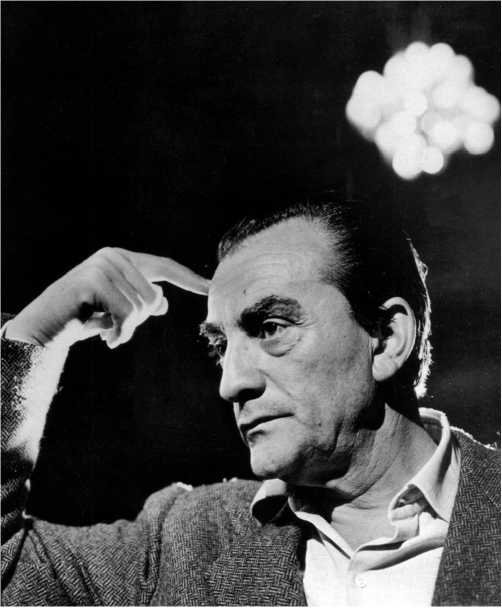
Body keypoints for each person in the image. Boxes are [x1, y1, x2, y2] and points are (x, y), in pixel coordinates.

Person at [1, 199, 499, 606]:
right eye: (221, 346)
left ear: (387, 338)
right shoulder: (184, 540)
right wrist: (36, 333)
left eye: (270, 328)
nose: (230, 383)